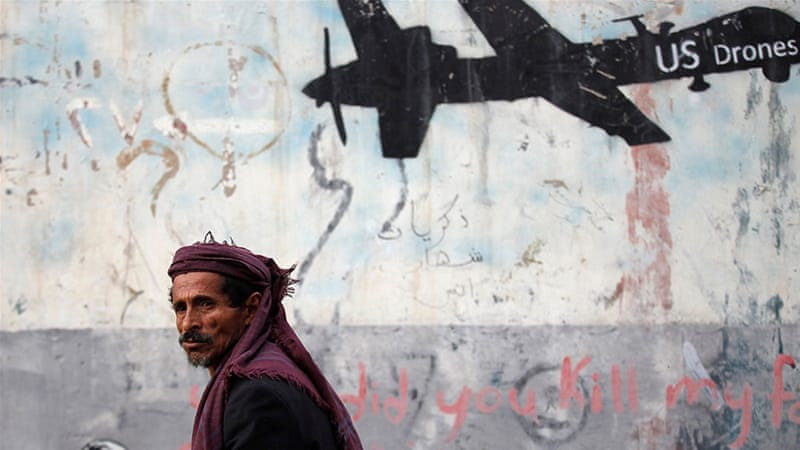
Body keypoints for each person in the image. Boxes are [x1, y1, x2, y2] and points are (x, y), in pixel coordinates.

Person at [168, 234, 362, 450]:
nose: (188, 324)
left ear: (251, 309)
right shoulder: (261, 377)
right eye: (180, 308)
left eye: (206, 304)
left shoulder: (258, 397)